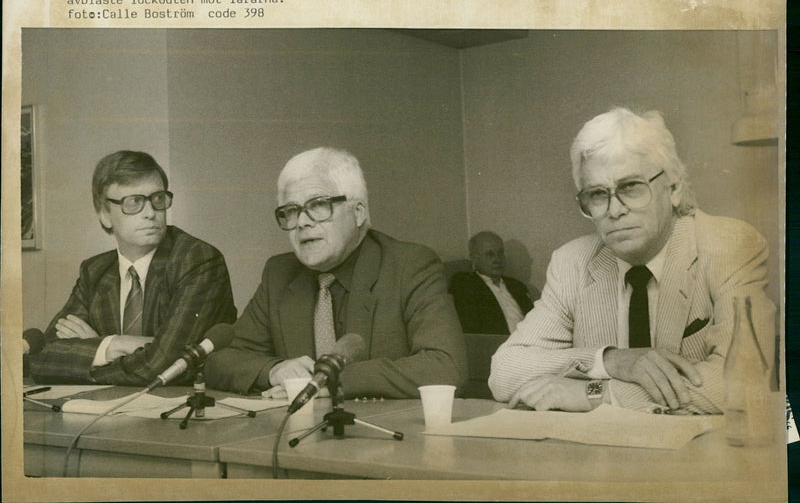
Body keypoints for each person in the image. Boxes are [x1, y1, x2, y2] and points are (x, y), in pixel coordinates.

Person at [488, 107, 775, 414]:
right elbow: (504, 373)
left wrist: (596, 393)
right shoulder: (572, 262)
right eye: (598, 194)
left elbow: (742, 382)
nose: (614, 210)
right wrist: (611, 360)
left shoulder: (728, 245)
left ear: (674, 188)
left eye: (631, 187)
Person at [205, 147, 467, 398]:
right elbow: (221, 361)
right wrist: (273, 370)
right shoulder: (279, 274)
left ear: (358, 212)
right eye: (292, 211)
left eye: (318, 205)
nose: (304, 222)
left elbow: (445, 366)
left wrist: (330, 382)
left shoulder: (410, 266)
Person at [30, 151, 237, 385]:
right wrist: (114, 345)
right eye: (134, 202)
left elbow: (162, 365)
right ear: (104, 215)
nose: (151, 213)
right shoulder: (95, 271)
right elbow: (41, 356)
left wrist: (97, 346)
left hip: (181, 409)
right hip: (108, 410)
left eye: (158, 199)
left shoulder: (198, 260)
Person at [450, 231, 535, 334]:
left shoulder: (518, 286)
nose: (497, 259)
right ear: (474, 259)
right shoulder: (464, 284)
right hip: (498, 346)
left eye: (500, 253)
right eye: (490, 254)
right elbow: (472, 329)